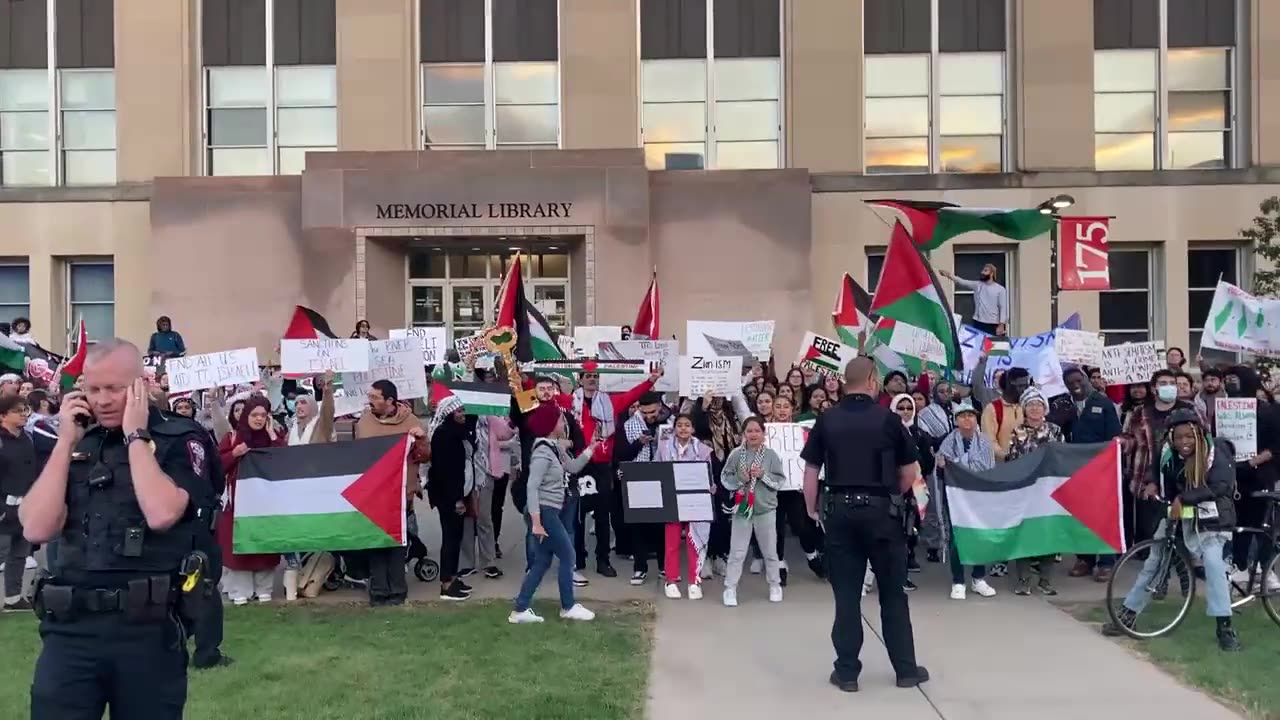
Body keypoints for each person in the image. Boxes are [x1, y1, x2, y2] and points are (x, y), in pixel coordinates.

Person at [21, 339, 214, 718]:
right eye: (93, 389)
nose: (103, 400)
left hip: (146, 630)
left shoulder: (180, 439)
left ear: (140, 384)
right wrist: (64, 445)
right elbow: (36, 528)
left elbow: (161, 514)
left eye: (115, 388)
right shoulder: (78, 442)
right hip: (70, 629)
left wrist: (136, 438)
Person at [801, 357, 928, 693]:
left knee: (846, 596)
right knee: (892, 595)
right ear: (872, 380)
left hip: (840, 514)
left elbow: (811, 473)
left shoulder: (827, 420)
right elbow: (911, 472)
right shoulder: (888, 420)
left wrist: (813, 511)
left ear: (845, 382)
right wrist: (891, 496)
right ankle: (905, 671)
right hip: (883, 515)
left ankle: (846, 673)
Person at [1103, 410, 1241, 651]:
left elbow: (1221, 485)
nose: (1184, 442)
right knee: (1154, 562)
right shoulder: (1166, 450)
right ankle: (1128, 615)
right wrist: (1152, 481)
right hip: (1177, 514)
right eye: (1178, 437)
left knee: (1213, 564)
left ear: (1198, 433)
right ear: (1170, 437)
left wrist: (1184, 498)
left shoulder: (1216, 451)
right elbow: (1155, 469)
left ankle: (1225, 627)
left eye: (1189, 436)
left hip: (1210, 517)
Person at [510, 402, 598, 623]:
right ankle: (568, 606)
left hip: (549, 513)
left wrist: (591, 449)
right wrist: (537, 522)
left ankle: (519, 610)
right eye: (559, 419)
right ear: (551, 424)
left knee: (542, 562)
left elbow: (573, 467)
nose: (563, 422)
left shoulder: (554, 448)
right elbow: (532, 486)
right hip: (545, 513)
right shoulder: (542, 452)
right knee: (568, 555)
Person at [567, 367, 659, 579]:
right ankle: (578, 557)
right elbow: (544, 396)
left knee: (602, 515)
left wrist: (651, 380)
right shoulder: (571, 402)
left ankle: (603, 560)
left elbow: (632, 395)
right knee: (578, 514)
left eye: (595, 376)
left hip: (602, 465)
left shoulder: (609, 403)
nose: (592, 380)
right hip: (580, 464)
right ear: (580, 380)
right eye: (588, 376)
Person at [355, 379, 428, 606]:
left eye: (375, 397)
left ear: (390, 400)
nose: (371, 401)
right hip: (374, 493)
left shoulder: (410, 421)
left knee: (397, 543)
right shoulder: (364, 422)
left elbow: (425, 456)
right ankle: (378, 591)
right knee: (376, 543)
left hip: (400, 493)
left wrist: (421, 439)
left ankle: (397, 591)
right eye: (370, 396)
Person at [216, 395, 285, 604]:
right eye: (254, 415)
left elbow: (285, 461)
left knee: (264, 543)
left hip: (265, 502)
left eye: (263, 415)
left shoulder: (273, 437)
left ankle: (264, 587)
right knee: (238, 545)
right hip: (238, 503)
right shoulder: (232, 437)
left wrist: (273, 435)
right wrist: (235, 454)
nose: (259, 419)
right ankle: (240, 590)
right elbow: (218, 466)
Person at [1221, 366, 1280, 590]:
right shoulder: (1223, 411)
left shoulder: (1269, 412)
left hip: (1262, 476)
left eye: (1233, 379)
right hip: (1236, 477)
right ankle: (1240, 567)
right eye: (1226, 379)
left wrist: (1255, 461)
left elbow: (1276, 448)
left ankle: (1266, 570)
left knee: (1263, 525)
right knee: (1239, 525)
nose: (1229, 383)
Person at [1062, 367, 1123, 581]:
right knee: (1081, 517)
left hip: (1102, 469)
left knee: (1103, 516)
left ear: (1086, 380)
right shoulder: (1065, 405)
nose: (1074, 385)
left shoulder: (1103, 402)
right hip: (1075, 470)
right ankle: (1084, 559)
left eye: (1078, 380)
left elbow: (1115, 436)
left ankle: (1106, 562)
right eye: (1069, 382)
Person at [935, 402, 999, 600]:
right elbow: (941, 466)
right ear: (956, 420)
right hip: (956, 498)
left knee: (979, 536)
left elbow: (987, 466)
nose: (967, 420)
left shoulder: (985, 442)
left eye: (971, 415)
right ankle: (958, 580)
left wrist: (960, 462)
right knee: (957, 539)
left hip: (979, 496)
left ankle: (978, 577)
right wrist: (944, 465)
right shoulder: (948, 442)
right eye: (962, 416)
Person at [1005, 387, 1065, 596]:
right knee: (1024, 535)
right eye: (1030, 405)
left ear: (1045, 408)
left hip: (1049, 492)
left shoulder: (1055, 431)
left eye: (1038, 405)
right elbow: (1011, 461)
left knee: (1049, 535)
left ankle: (1045, 580)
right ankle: (1023, 580)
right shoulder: (1017, 432)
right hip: (1025, 491)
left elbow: (1063, 459)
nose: (1035, 409)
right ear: (1024, 409)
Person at [720, 416, 785, 606]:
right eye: (749, 431)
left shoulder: (771, 455)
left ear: (763, 434)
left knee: (770, 551)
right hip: (742, 509)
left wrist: (763, 475)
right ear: (744, 434)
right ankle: (730, 588)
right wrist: (739, 479)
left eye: (757, 430)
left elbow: (779, 481)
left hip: (765, 509)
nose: (753, 434)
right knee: (737, 552)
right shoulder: (735, 455)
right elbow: (725, 477)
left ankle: (775, 584)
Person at [615, 391, 671, 584]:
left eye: (653, 412)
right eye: (645, 412)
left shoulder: (669, 423)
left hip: (662, 476)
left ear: (660, 407)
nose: (649, 416)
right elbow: (621, 455)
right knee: (638, 524)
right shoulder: (629, 425)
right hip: (637, 477)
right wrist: (639, 443)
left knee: (661, 525)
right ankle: (640, 568)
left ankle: (665, 566)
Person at [656, 414, 713, 600]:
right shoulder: (664, 447)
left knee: (694, 541)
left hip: (694, 500)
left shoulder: (703, 450)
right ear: (674, 428)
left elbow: (708, 474)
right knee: (671, 541)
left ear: (693, 429)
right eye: (679, 425)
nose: (683, 429)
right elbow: (656, 468)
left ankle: (694, 581)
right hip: (672, 498)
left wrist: (710, 487)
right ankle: (671, 580)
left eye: (687, 425)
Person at [428, 396, 475, 601]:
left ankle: (453, 578)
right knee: (450, 538)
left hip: (457, 493)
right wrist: (456, 499)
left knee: (456, 537)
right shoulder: (445, 435)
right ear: (448, 414)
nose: (463, 415)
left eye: (464, 411)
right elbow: (447, 471)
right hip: (448, 496)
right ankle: (446, 584)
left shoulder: (457, 433)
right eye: (458, 412)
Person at [0, 394, 35, 611]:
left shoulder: (27, 438)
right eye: (17, 411)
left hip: (25, 506)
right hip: (4, 507)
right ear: (2, 416)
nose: (23, 414)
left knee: (19, 553)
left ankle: (13, 599)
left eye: (25, 409)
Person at [941, 264, 1007, 336]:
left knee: (993, 345)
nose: (982, 272)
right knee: (979, 345)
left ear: (992, 274)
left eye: (985, 271)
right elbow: (962, 282)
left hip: (993, 324)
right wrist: (948, 275)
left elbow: (1003, 307)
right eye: (982, 270)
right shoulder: (977, 285)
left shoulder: (1000, 289)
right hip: (978, 322)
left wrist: (1001, 325)